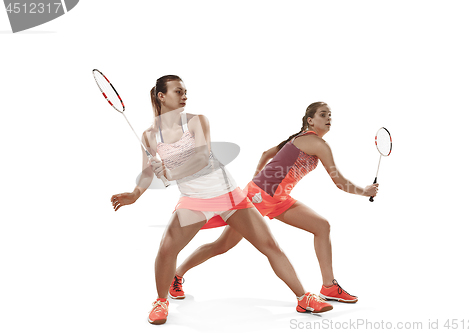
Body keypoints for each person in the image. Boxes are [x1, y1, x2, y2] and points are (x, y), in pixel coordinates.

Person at [110, 76, 333, 325]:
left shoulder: (196, 121)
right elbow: (147, 172)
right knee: (166, 249)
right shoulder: (150, 136)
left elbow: (202, 156)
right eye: (178, 91)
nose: (184, 95)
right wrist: (134, 194)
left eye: (185, 91)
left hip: (228, 196)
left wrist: (170, 173)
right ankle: (161, 301)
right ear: (161, 96)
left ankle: (304, 298)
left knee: (270, 246)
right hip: (194, 200)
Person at [169, 102, 378, 304]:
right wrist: (364, 191)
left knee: (321, 226)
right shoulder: (316, 143)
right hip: (258, 198)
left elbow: (266, 154)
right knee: (222, 245)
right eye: (323, 114)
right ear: (310, 120)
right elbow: (339, 182)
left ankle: (329, 286)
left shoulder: (300, 138)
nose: (328, 118)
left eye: (330, 115)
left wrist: (257, 178)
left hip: (278, 199)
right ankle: (176, 275)